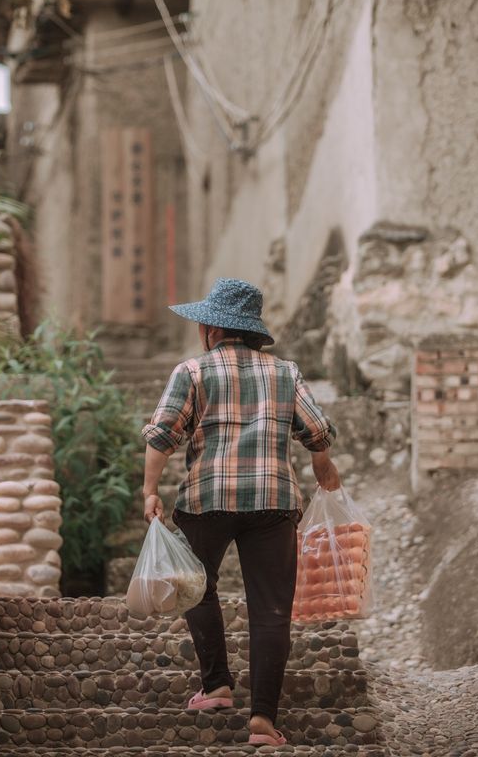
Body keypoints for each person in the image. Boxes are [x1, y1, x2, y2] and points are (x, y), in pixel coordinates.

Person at [142, 277, 340, 747]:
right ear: (252, 330)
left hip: (206, 500)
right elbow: (318, 431)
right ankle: (264, 723)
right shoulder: (285, 373)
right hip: (273, 502)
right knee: (271, 610)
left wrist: (149, 490)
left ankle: (216, 686)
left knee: (194, 588)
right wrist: (321, 463)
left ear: (212, 328)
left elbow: (161, 437)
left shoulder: (192, 371)